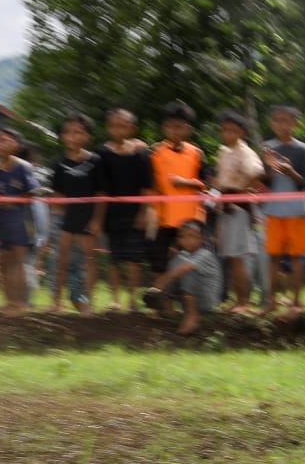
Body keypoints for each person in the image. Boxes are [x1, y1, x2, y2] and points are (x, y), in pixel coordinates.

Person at [260, 104, 305, 318]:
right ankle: (271, 300)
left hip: (297, 209)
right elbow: (266, 182)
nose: (281, 125)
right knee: (273, 256)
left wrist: (290, 171)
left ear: (296, 123)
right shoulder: (267, 147)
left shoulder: (304, 150)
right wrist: (268, 167)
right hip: (274, 208)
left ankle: (297, 302)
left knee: (296, 257)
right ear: (272, 124)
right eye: (277, 121)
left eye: (286, 121)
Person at [97, 108, 155, 311]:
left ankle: (132, 300)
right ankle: (114, 299)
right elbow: (101, 189)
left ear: (132, 128)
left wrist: (143, 213)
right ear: (108, 128)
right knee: (114, 258)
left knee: (134, 259)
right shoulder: (102, 154)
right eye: (113, 125)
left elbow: (147, 187)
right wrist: (99, 219)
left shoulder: (140, 153)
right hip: (112, 214)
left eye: (123, 125)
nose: (118, 130)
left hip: (135, 212)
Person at [48, 114, 102, 314]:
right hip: (66, 219)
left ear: (87, 137)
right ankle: (56, 302)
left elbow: (101, 193)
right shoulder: (59, 163)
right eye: (68, 132)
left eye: (78, 132)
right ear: (62, 136)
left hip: (88, 217)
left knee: (89, 261)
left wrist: (97, 220)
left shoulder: (96, 161)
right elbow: (57, 195)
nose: (72, 136)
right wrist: (55, 220)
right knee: (61, 259)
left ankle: (86, 302)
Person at [212, 111, 264, 312]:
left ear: (242, 132)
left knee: (238, 256)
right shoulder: (224, 151)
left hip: (238, 207)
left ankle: (243, 301)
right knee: (232, 256)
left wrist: (243, 189)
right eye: (224, 130)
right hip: (225, 204)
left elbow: (257, 172)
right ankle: (239, 300)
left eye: (232, 130)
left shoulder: (245, 152)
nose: (227, 134)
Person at [0, 127, 40, 316]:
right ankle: (9, 302)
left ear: (16, 145)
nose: (0, 143)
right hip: (1, 221)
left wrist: (13, 201)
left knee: (19, 262)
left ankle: (20, 304)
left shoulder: (23, 167)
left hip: (21, 220)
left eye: (6, 140)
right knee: (4, 262)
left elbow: (33, 193)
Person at [150, 101, 206, 274]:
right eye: (170, 126)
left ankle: (186, 295)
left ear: (189, 129)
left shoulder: (197, 153)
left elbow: (206, 184)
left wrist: (185, 182)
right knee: (159, 259)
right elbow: (150, 185)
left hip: (190, 219)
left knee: (189, 260)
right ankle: (159, 294)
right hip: (163, 218)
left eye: (180, 127)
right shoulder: (155, 152)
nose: (175, 131)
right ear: (164, 128)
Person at [144, 219, 220, 335]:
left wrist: (161, 282)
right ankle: (166, 307)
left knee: (186, 270)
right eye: (183, 236)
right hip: (187, 297)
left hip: (205, 299)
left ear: (202, 238)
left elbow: (185, 269)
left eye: (192, 236)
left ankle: (192, 315)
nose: (188, 240)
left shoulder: (205, 254)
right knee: (175, 264)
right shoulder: (183, 255)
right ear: (179, 240)